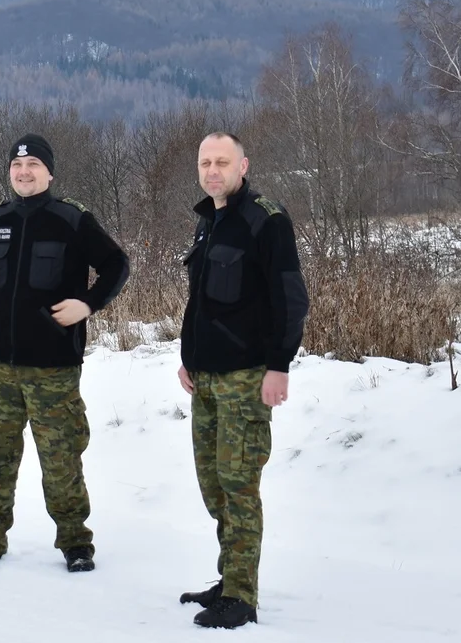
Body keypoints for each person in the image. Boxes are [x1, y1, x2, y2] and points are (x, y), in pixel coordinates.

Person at [0, 133, 129, 573]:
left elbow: (116, 265)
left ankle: (75, 542)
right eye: (16, 166)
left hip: (53, 366)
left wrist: (88, 304)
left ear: (49, 172)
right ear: (10, 172)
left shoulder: (71, 219)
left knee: (61, 458)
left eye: (33, 166)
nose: (24, 173)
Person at [176, 132, 309, 629]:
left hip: (245, 380)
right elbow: (202, 303)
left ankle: (242, 597)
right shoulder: (209, 222)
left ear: (243, 164)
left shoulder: (265, 221)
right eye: (205, 162)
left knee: (239, 488)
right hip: (205, 380)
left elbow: (291, 300)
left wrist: (279, 365)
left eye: (222, 162)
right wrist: (188, 357)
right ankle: (228, 579)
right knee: (214, 488)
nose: (213, 170)